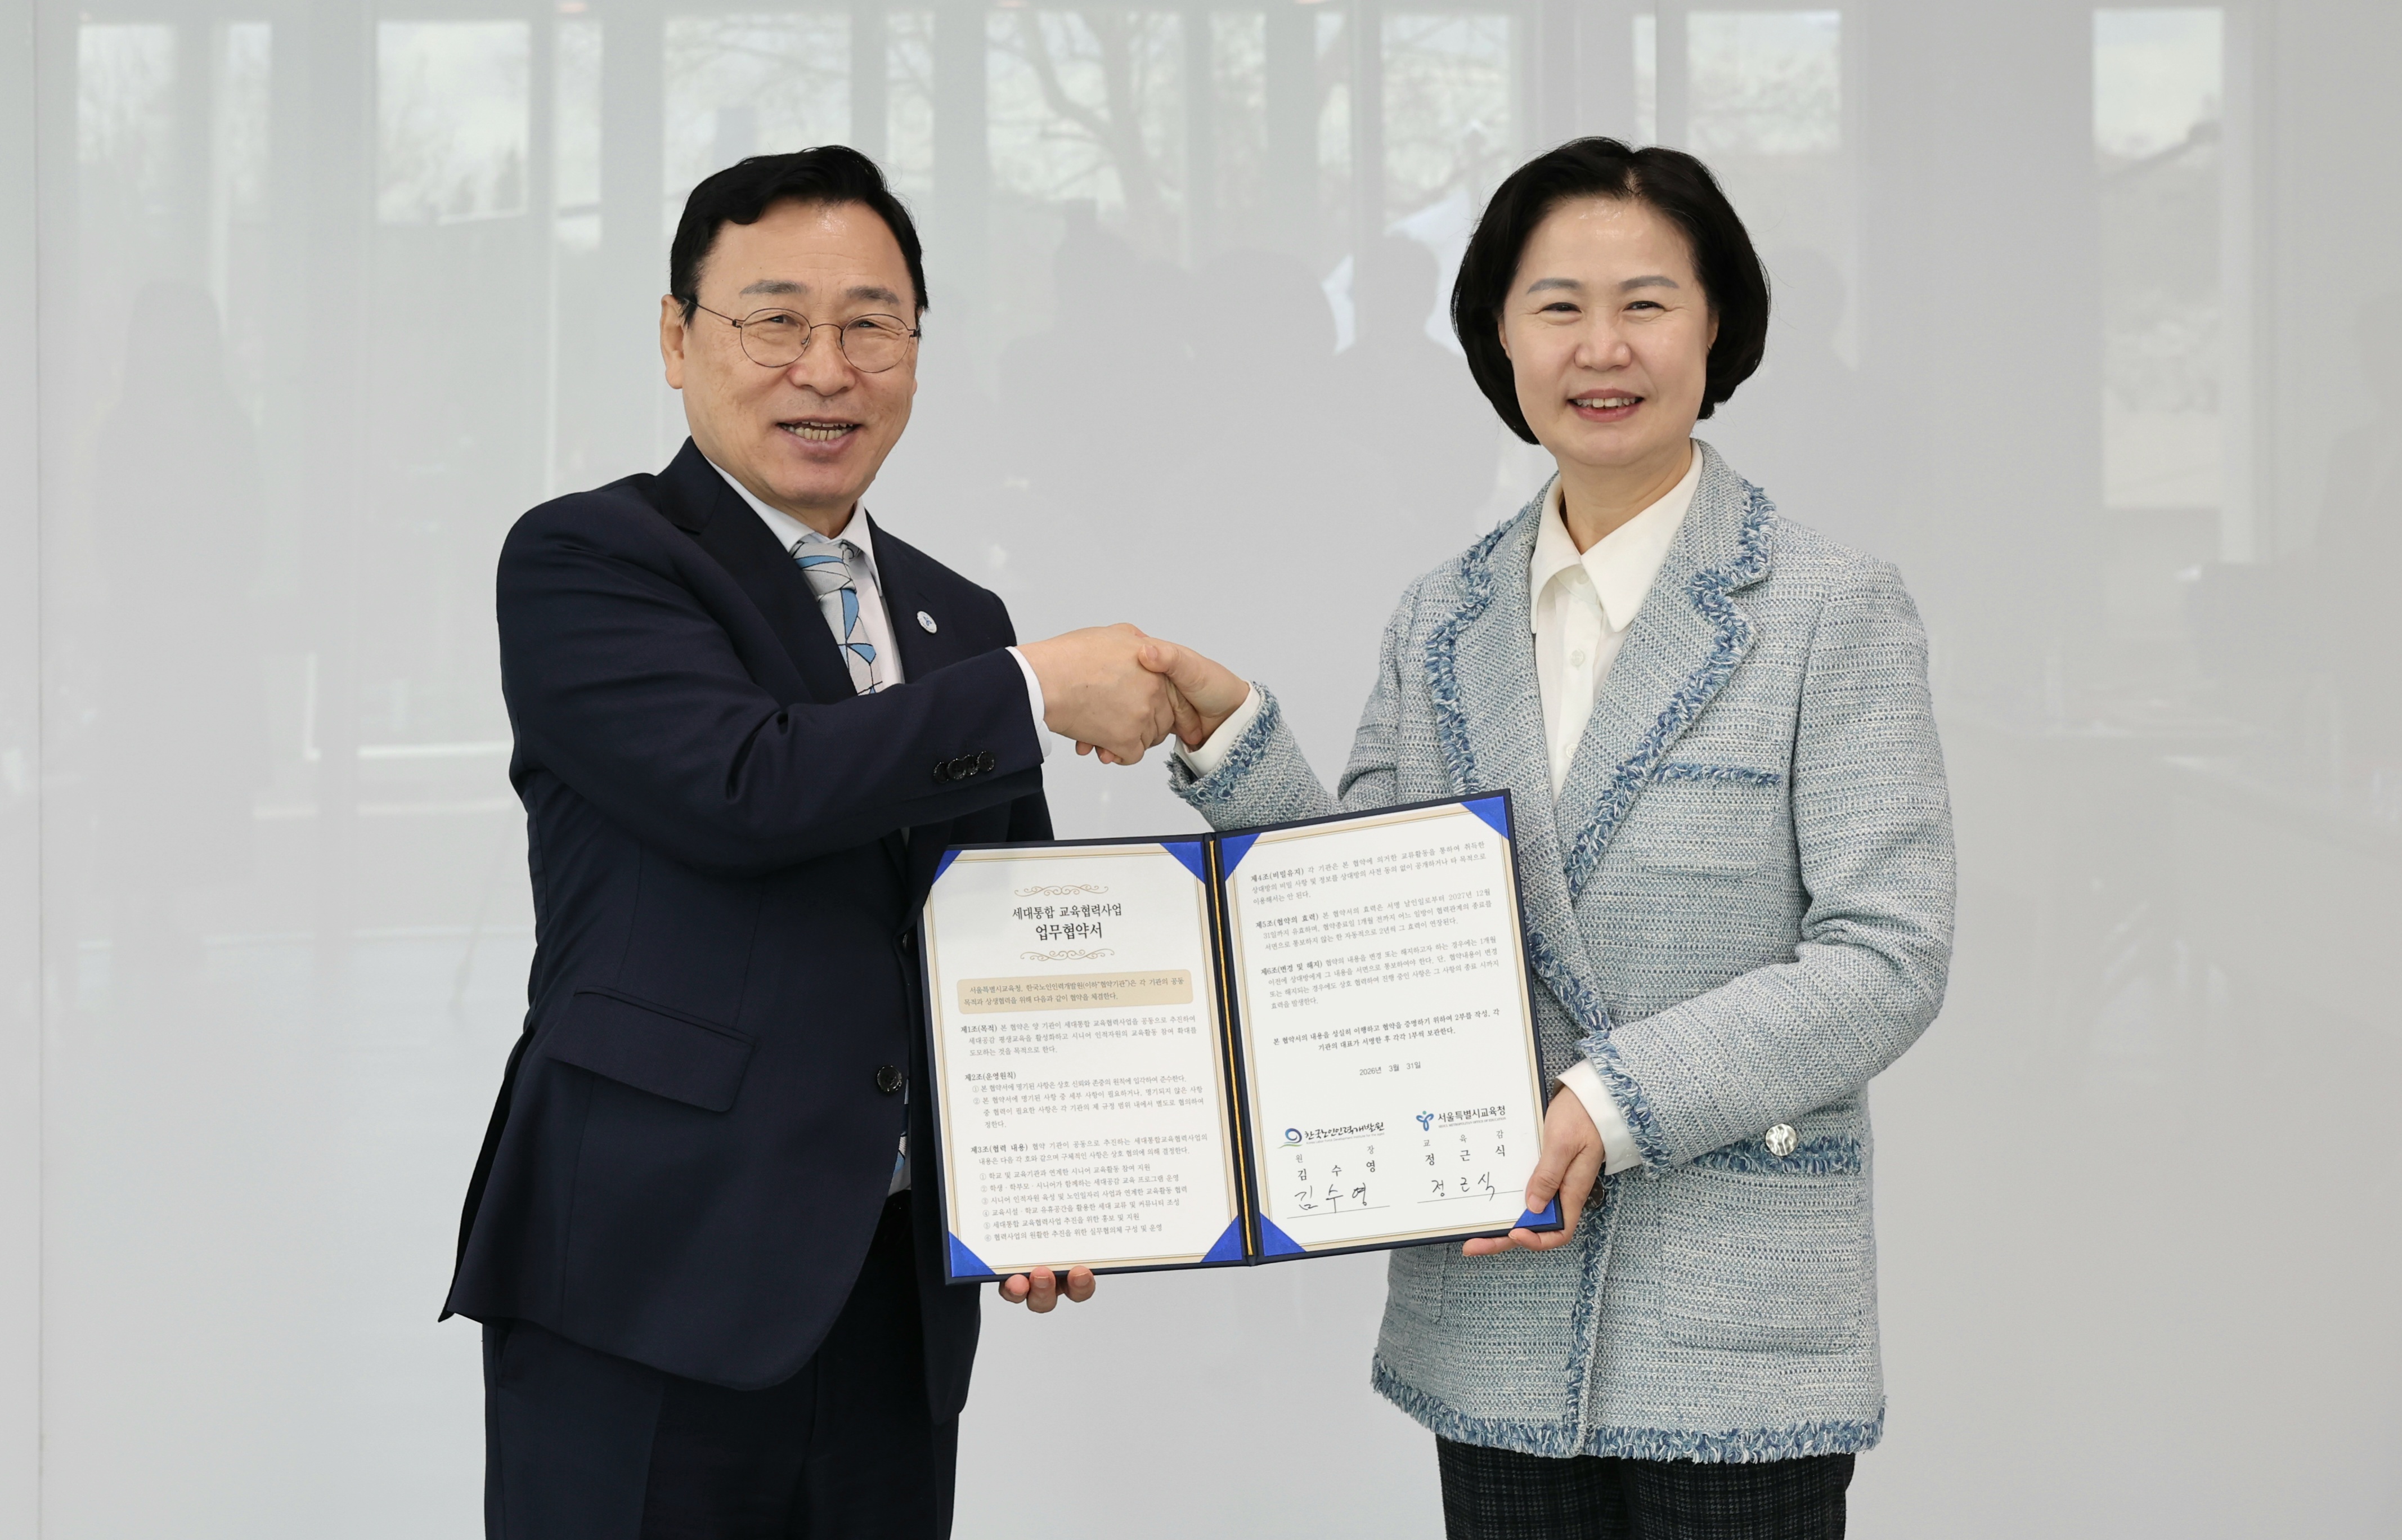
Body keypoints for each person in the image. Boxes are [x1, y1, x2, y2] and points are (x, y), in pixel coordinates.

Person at [1119, 138, 1956, 1538]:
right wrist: (1232, 740)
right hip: (1491, 1303)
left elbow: (1886, 955)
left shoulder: (1829, 605)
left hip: (1732, 1324)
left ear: (1717, 326)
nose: (1600, 346)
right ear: (1497, 335)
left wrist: (1612, 1103)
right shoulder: (1439, 613)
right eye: (1555, 304)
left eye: (1645, 301)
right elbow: (1363, 917)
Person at [442, 146, 1188, 1538]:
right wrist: (1033, 689)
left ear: (916, 346)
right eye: (774, 320)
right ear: (677, 339)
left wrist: (1057, 1167)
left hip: (890, 1291)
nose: (826, 366)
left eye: (870, 323)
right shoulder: (590, 559)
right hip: (646, 1274)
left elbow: (1006, 932)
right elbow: (748, 786)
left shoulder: (957, 622)